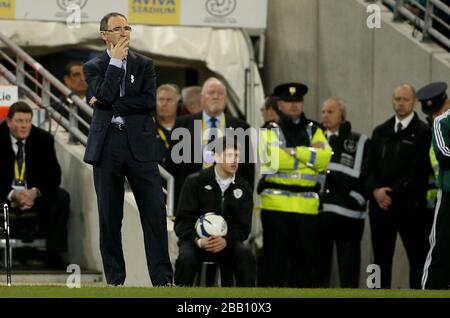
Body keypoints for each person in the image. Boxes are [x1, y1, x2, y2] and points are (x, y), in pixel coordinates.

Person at [83, 12, 173, 286]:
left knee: (155, 212)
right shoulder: (94, 65)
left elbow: (147, 102)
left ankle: (162, 280)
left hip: (140, 147)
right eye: (118, 28)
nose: (124, 32)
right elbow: (106, 92)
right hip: (107, 145)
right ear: (104, 35)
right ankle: (115, 281)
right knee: (110, 217)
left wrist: (109, 104)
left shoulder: (145, 64)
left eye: (127, 27)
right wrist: (115, 64)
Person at [258, 82, 332, 287]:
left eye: (297, 101)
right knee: (275, 264)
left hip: (307, 208)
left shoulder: (314, 129)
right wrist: (309, 154)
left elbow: (325, 159)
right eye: (288, 101)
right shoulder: (269, 129)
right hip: (276, 207)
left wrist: (293, 151)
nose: (293, 105)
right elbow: (273, 161)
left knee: (306, 267)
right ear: (279, 104)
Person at [369, 83, 431, 289]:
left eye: (405, 99)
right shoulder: (380, 132)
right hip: (380, 206)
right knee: (379, 259)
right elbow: (369, 166)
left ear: (414, 102)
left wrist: (392, 193)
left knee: (418, 257)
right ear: (392, 101)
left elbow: (418, 171)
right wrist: (376, 191)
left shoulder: (423, 132)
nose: (400, 104)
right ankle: (376, 293)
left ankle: (418, 292)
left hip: (410, 207)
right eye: (397, 99)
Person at [174, 136, 256, 286]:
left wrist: (226, 240)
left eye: (237, 156)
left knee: (246, 255)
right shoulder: (194, 182)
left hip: (227, 243)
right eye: (230, 155)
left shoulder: (243, 187)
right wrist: (198, 241)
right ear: (217, 157)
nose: (235, 160)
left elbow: (243, 227)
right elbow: (183, 221)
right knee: (186, 258)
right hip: (197, 242)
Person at [0, 101, 70, 269]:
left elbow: (54, 176)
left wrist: (34, 192)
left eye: (27, 121)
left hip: (33, 197)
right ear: (9, 122)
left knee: (61, 197)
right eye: (19, 121)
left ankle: (53, 254)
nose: (24, 126)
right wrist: (12, 194)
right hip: (4, 194)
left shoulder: (43, 139)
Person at [169, 77, 255, 212]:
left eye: (220, 93)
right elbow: (171, 167)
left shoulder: (241, 128)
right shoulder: (183, 125)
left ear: (226, 99)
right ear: (202, 98)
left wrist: (245, 203)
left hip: (228, 201)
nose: (216, 97)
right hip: (191, 199)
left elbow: (248, 171)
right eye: (211, 93)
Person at [316, 98, 371, 288]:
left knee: (349, 274)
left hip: (348, 219)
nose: (325, 115)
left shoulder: (358, 141)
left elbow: (368, 174)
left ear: (342, 116)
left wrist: (357, 198)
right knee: (319, 274)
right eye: (323, 111)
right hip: (319, 217)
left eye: (330, 111)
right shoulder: (314, 139)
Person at [419, 82, 450, 290]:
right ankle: (430, 289)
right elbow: (444, 153)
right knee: (440, 245)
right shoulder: (441, 122)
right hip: (448, 193)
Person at [61, 61, 90, 136]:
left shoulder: (98, 103)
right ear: (66, 79)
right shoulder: (58, 106)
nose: (82, 78)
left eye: (85, 74)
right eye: (76, 75)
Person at [156, 83, 181, 170]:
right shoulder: (147, 127)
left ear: (177, 103)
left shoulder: (186, 127)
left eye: (169, 100)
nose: (164, 104)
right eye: (160, 100)